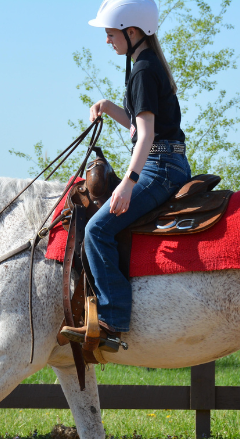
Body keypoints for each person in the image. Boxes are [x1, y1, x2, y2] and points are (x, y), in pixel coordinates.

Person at [61, 0, 191, 348]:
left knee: (97, 229)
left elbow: (146, 136)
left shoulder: (143, 71)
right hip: (168, 163)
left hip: (160, 169)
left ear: (131, 32)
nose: (107, 41)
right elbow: (140, 125)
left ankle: (112, 321)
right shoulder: (147, 65)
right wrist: (108, 107)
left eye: (110, 34)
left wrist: (128, 185)